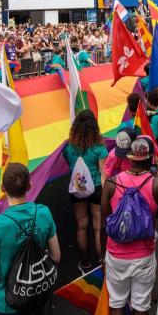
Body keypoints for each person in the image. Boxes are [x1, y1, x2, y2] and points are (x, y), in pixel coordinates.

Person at [102, 137, 158, 315]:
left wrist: (102, 256)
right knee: (141, 305)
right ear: (150, 160)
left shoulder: (112, 183)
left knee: (116, 304)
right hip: (143, 257)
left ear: (130, 158)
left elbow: (104, 222)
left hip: (115, 254)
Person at [0, 163, 60, 315]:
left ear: (2, 188)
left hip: (4, 304)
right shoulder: (43, 213)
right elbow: (56, 256)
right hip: (35, 295)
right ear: (30, 185)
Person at [63, 109, 108, 273]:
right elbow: (104, 173)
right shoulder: (99, 149)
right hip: (96, 189)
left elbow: (70, 165)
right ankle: (103, 263)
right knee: (98, 227)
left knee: (81, 226)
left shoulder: (69, 148)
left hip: (77, 189)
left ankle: (86, 262)